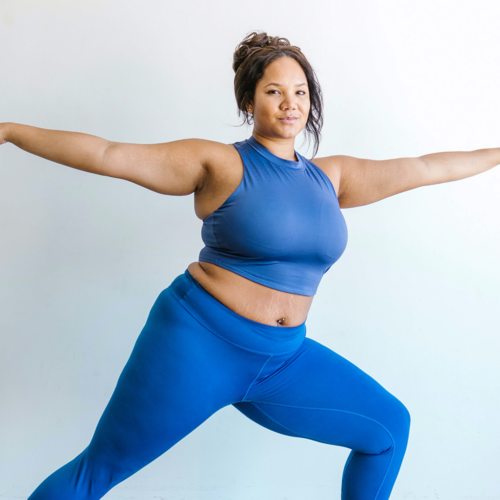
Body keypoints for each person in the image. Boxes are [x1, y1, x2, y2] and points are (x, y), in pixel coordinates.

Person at [1, 31, 498, 500]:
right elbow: (108, 153)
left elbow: (426, 167)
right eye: (275, 91)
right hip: (198, 344)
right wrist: (9, 131)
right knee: (98, 471)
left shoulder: (333, 177)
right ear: (249, 102)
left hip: (283, 360)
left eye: (300, 92)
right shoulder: (220, 163)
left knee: (388, 427)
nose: (290, 104)